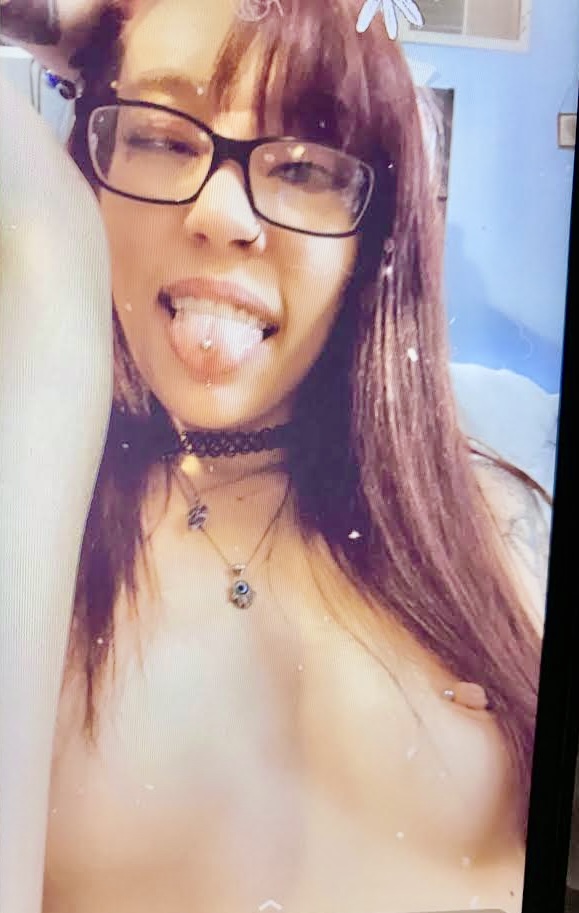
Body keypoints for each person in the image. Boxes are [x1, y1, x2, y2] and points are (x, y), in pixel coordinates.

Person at [0, 0, 551, 911]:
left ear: (376, 230)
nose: (221, 214)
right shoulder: (35, 520)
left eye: (301, 165)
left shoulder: (498, 517)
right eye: (159, 137)